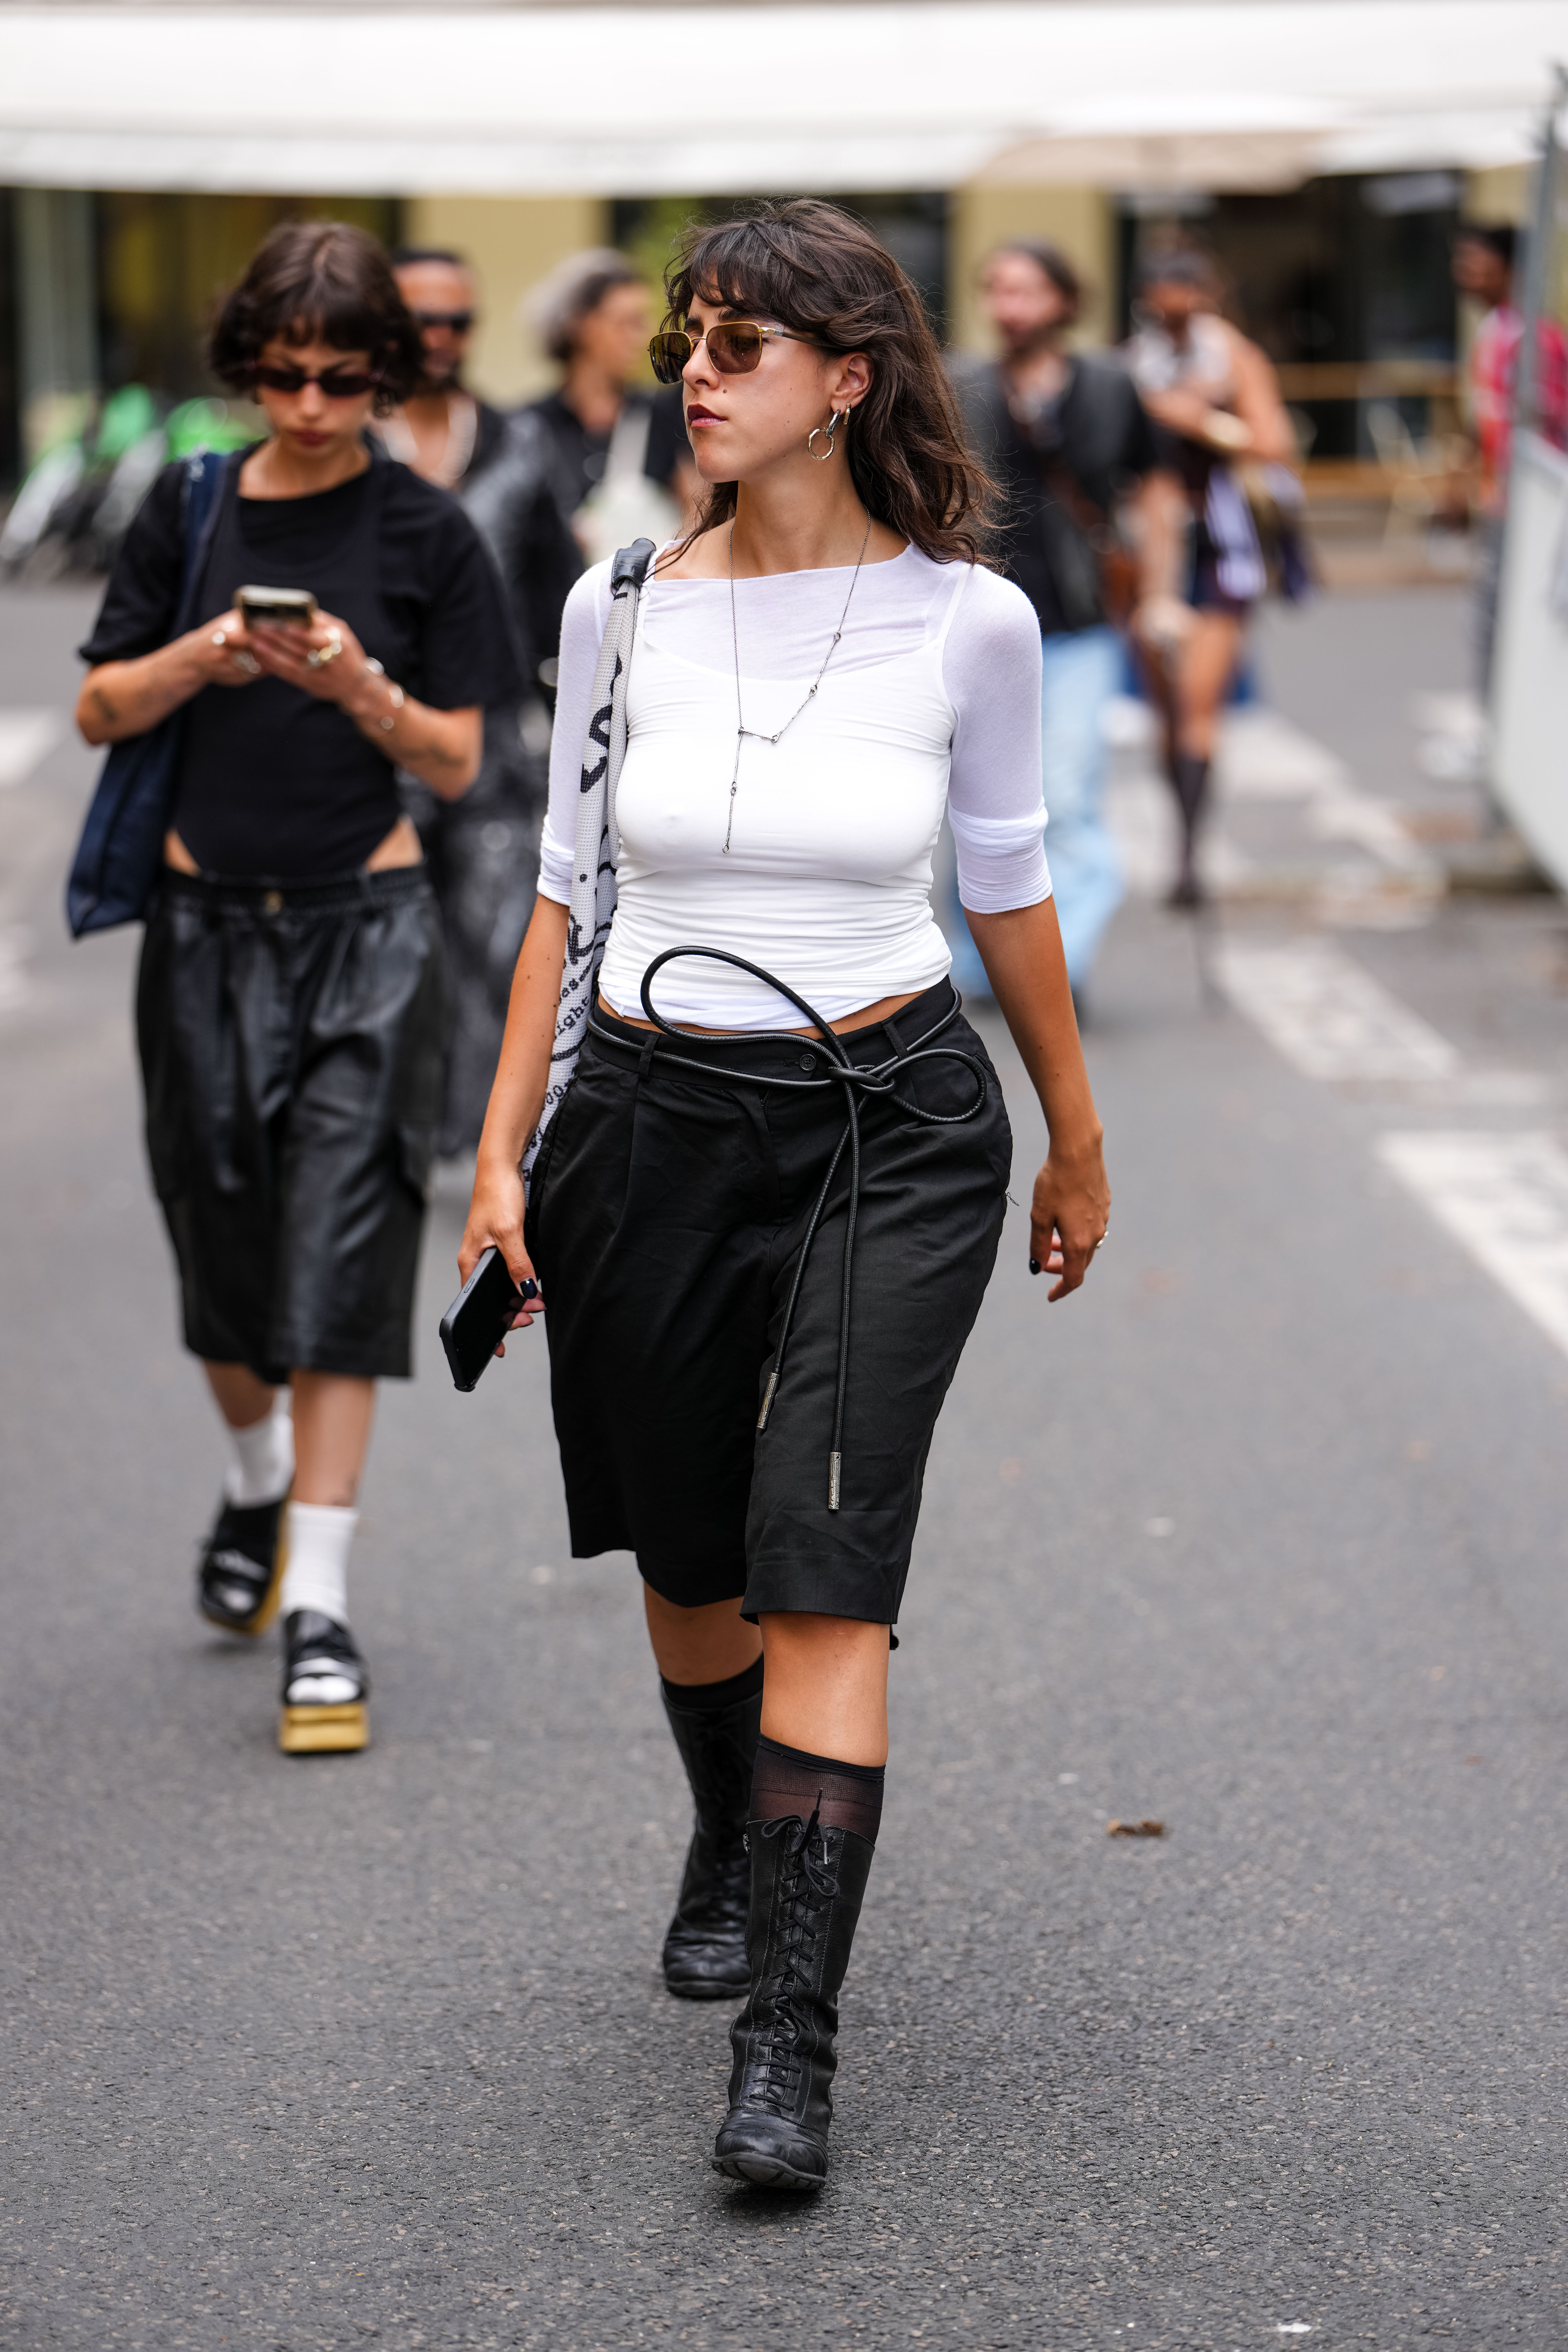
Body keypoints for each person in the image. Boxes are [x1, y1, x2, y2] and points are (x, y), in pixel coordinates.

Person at [461, 198, 1110, 2190]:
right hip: (648, 1117)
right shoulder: (619, 604)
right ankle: (729, 1827)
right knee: (690, 1555)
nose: (699, 373)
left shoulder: (968, 620)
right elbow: (568, 891)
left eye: (743, 344)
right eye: (690, 340)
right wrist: (502, 1152)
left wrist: (1076, 1135)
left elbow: (1004, 885)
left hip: (890, 1122)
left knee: (822, 1551)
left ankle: (789, 2052)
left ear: (851, 377)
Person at [75, 222, 519, 1753]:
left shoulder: (422, 534)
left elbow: (459, 755)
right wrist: (207, 650)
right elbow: (94, 704)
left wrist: (355, 686)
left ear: (385, 372)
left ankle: (319, 1604)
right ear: (247, 368)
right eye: (283, 375)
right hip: (203, 926)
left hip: (371, 929)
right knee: (221, 1259)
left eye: (343, 377)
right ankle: (259, 1481)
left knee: (343, 1255)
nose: (313, 404)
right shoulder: (191, 508)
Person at [949, 238, 1176, 1010]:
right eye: (1000, 291)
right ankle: (979, 971)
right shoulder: (960, 385)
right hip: (976, 626)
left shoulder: (1111, 386)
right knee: (971, 803)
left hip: (1079, 624)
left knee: (1067, 792)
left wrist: (1160, 593)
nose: (1011, 308)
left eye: (1028, 292)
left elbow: (1154, 493)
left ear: (1065, 302)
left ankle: (1056, 964)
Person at [379, 244, 571, 1152]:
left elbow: (551, 592)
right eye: (424, 318)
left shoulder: (514, 443)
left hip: (492, 733)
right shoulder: (340, 440)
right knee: (382, 937)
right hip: (365, 731)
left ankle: (483, 1138)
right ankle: (386, 1121)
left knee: (495, 937)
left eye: (459, 320)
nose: (443, 337)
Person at [1123, 248, 1297, 906]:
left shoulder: (1235, 358)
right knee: (1164, 708)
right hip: (1147, 546)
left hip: (1220, 544)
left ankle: (1188, 852)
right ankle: (1183, 823)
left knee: (1199, 704)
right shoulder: (1128, 362)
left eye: (1186, 297)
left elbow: (1274, 441)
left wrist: (1201, 419)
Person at [521, 248, 697, 664]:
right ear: (580, 326)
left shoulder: (664, 415)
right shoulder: (528, 427)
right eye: (626, 323)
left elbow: (700, 516)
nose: (639, 337)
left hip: (648, 634)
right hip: (553, 641)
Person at [1452, 222, 1568, 692]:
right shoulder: (1494, 330)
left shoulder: (1534, 339)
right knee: (1492, 617)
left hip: (1534, 505)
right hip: (1500, 497)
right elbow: (1485, 421)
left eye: (1477, 264)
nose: (1466, 274)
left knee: (1503, 617)